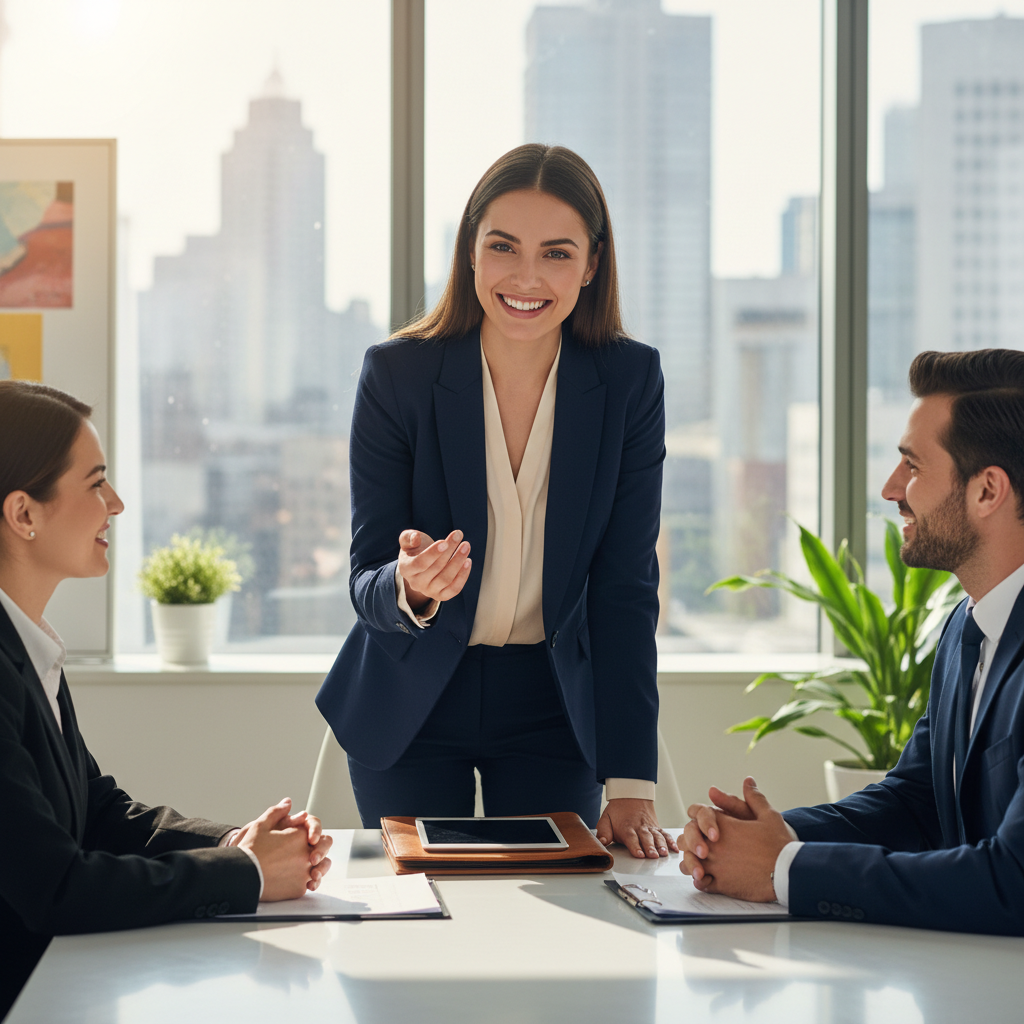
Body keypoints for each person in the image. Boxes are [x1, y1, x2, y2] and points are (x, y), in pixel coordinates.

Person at [316, 143, 677, 859]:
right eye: (504, 247)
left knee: (552, 935)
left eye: (557, 253)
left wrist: (630, 775)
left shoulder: (630, 381)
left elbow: (626, 588)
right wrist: (411, 588)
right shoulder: (399, 375)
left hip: (553, 704)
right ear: (471, 251)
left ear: (592, 265)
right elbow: (366, 577)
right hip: (412, 699)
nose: (526, 276)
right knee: (417, 928)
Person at [0, 381, 334, 1017]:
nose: (117, 504)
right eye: (96, 483)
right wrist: (250, 875)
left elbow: (98, 812)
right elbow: (56, 888)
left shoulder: (28, 646)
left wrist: (239, 843)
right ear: (25, 514)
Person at [680, 348, 1024, 934]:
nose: (892, 489)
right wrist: (769, 837)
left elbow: (1013, 881)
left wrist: (784, 868)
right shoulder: (968, 626)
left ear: (987, 491)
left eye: (912, 466)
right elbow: (916, 803)